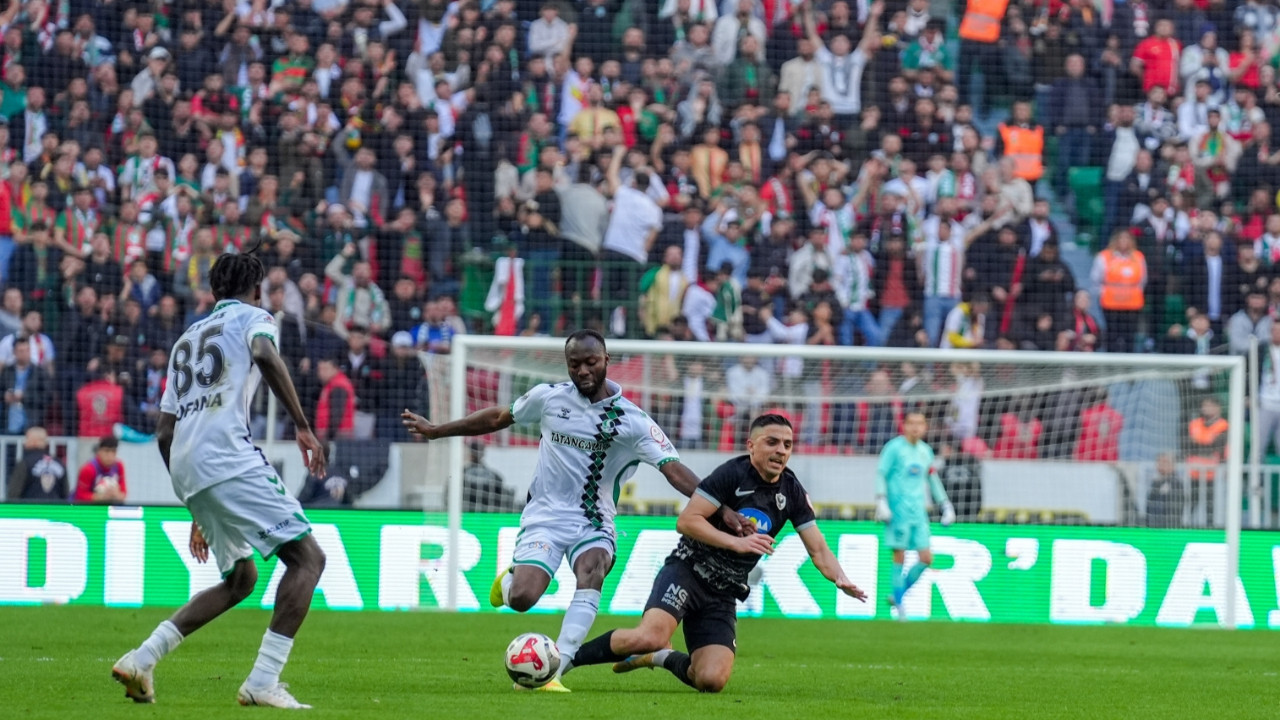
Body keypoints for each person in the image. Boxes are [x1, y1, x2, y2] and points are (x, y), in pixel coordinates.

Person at [400, 330, 750, 692]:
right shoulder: (548, 398)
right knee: (522, 599)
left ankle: (556, 670)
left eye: (591, 362)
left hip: (593, 522)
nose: (583, 371)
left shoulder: (632, 420)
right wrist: (437, 431)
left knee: (593, 570)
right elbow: (498, 418)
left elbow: (673, 470)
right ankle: (509, 582)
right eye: (574, 364)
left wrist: (720, 508)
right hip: (544, 518)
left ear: (606, 360)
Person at [112, 252, 327, 709]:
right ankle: (263, 681)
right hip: (228, 455)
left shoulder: (185, 340)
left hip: (187, 466)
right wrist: (302, 425)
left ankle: (141, 659)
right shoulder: (254, 317)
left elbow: (164, 431)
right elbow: (264, 353)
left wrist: (196, 501)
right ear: (257, 290)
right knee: (308, 560)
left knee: (241, 579)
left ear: (213, 292)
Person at [560, 414, 867, 692]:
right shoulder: (731, 474)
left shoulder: (792, 491)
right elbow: (687, 521)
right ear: (751, 445)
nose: (781, 451)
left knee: (711, 680)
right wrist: (736, 543)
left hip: (723, 592)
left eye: (787, 445)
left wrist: (840, 578)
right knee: (649, 635)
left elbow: (818, 549)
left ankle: (658, 657)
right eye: (772, 442)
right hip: (688, 571)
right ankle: (563, 660)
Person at [875, 411, 955, 620]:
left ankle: (897, 594)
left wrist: (945, 504)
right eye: (911, 423)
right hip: (897, 511)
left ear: (925, 427)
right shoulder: (893, 448)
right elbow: (881, 473)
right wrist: (881, 500)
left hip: (919, 512)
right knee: (899, 555)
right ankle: (900, 608)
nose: (916, 427)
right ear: (904, 426)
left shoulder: (925, 451)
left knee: (926, 558)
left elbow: (932, 479)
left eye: (920, 423)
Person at [5, 426, 67, 501]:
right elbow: (66, 493)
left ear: (34, 441)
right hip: (55, 507)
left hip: (30, 507)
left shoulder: (25, 463)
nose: (25, 442)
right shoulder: (59, 463)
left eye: (27, 438)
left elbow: (13, 494)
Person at [73, 436, 127, 505]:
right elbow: (80, 496)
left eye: (113, 451)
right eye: (107, 451)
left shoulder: (119, 466)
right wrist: (100, 497)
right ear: (99, 451)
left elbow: (123, 493)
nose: (110, 455)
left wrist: (117, 495)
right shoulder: (88, 469)